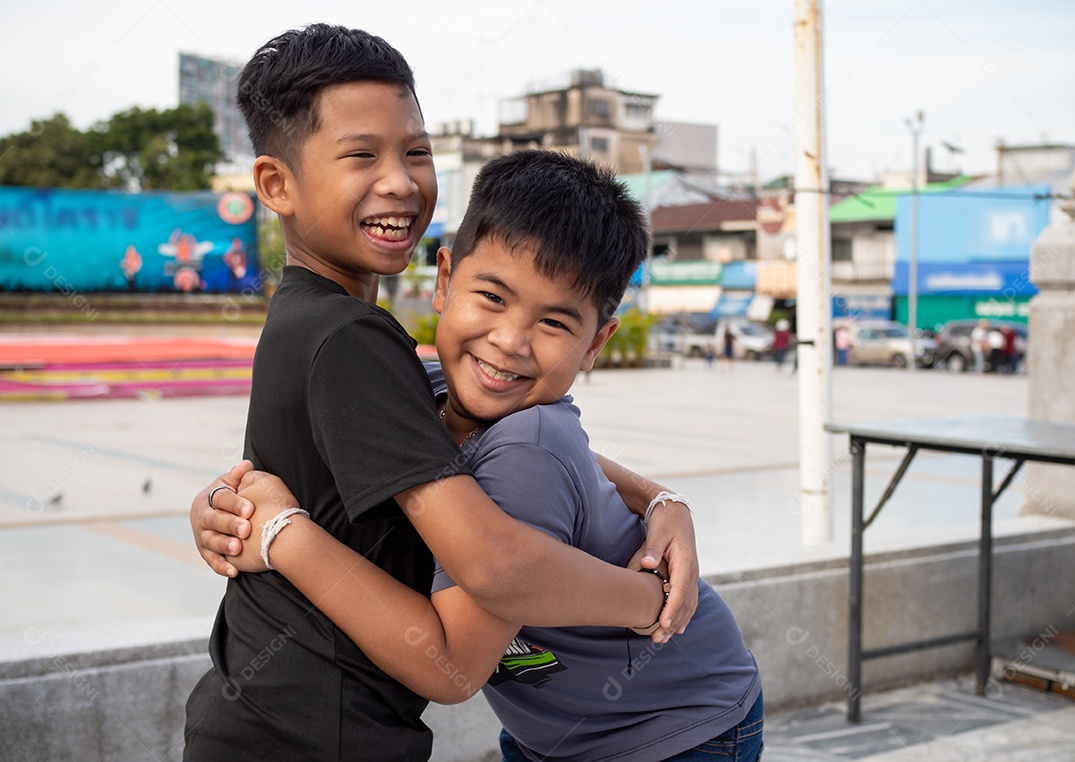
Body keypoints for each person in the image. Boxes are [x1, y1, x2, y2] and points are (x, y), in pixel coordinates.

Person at [182, 26, 697, 762]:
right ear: (276, 185)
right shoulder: (351, 338)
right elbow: (485, 582)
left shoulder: (317, 321)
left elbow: (474, 440)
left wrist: (660, 502)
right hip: (311, 732)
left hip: (275, 719)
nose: (399, 180)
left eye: (415, 151)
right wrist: (650, 601)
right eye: (361, 155)